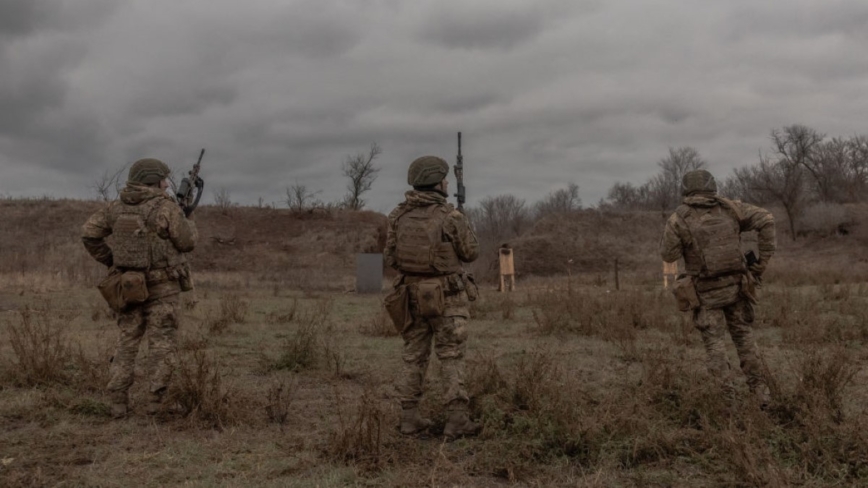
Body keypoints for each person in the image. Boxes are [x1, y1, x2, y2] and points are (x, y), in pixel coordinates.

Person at [82, 158, 198, 418]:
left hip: (128, 286)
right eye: (163, 179)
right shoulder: (166, 207)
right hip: (163, 287)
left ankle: (118, 403)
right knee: (161, 345)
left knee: (126, 343)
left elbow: (89, 234)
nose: (167, 183)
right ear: (153, 180)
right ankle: (155, 405)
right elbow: (188, 242)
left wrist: (113, 261)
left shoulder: (116, 206)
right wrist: (188, 216)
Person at [384, 155, 480, 438]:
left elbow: (391, 256)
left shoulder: (397, 215)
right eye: (445, 178)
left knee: (413, 356)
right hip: (447, 297)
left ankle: (409, 418)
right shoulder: (451, 217)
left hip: (410, 297)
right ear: (436, 183)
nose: (448, 182)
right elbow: (471, 253)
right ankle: (457, 420)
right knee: (451, 356)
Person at [661, 169, 775, 405]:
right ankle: (761, 393)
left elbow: (668, 254)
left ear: (686, 189)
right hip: (737, 287)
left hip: (705, 292)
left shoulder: (679, 218)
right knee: (744, 339)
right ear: (712, 186)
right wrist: (761, 264)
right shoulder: (731, 208)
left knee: (715, 345)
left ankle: (728, 401)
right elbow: (767, 220)